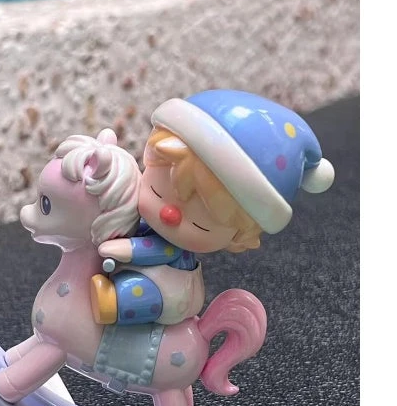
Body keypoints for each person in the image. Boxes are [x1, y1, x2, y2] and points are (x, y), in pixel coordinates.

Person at [91, 89, 334, 325]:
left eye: (199, 223)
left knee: (144, 292)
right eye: (157, 191)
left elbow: (162, 251)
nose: (170, 214)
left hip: (171, 288)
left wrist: (126, 248)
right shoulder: (142, 216)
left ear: (238, 236)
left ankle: (111, 304)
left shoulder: (173, 248)